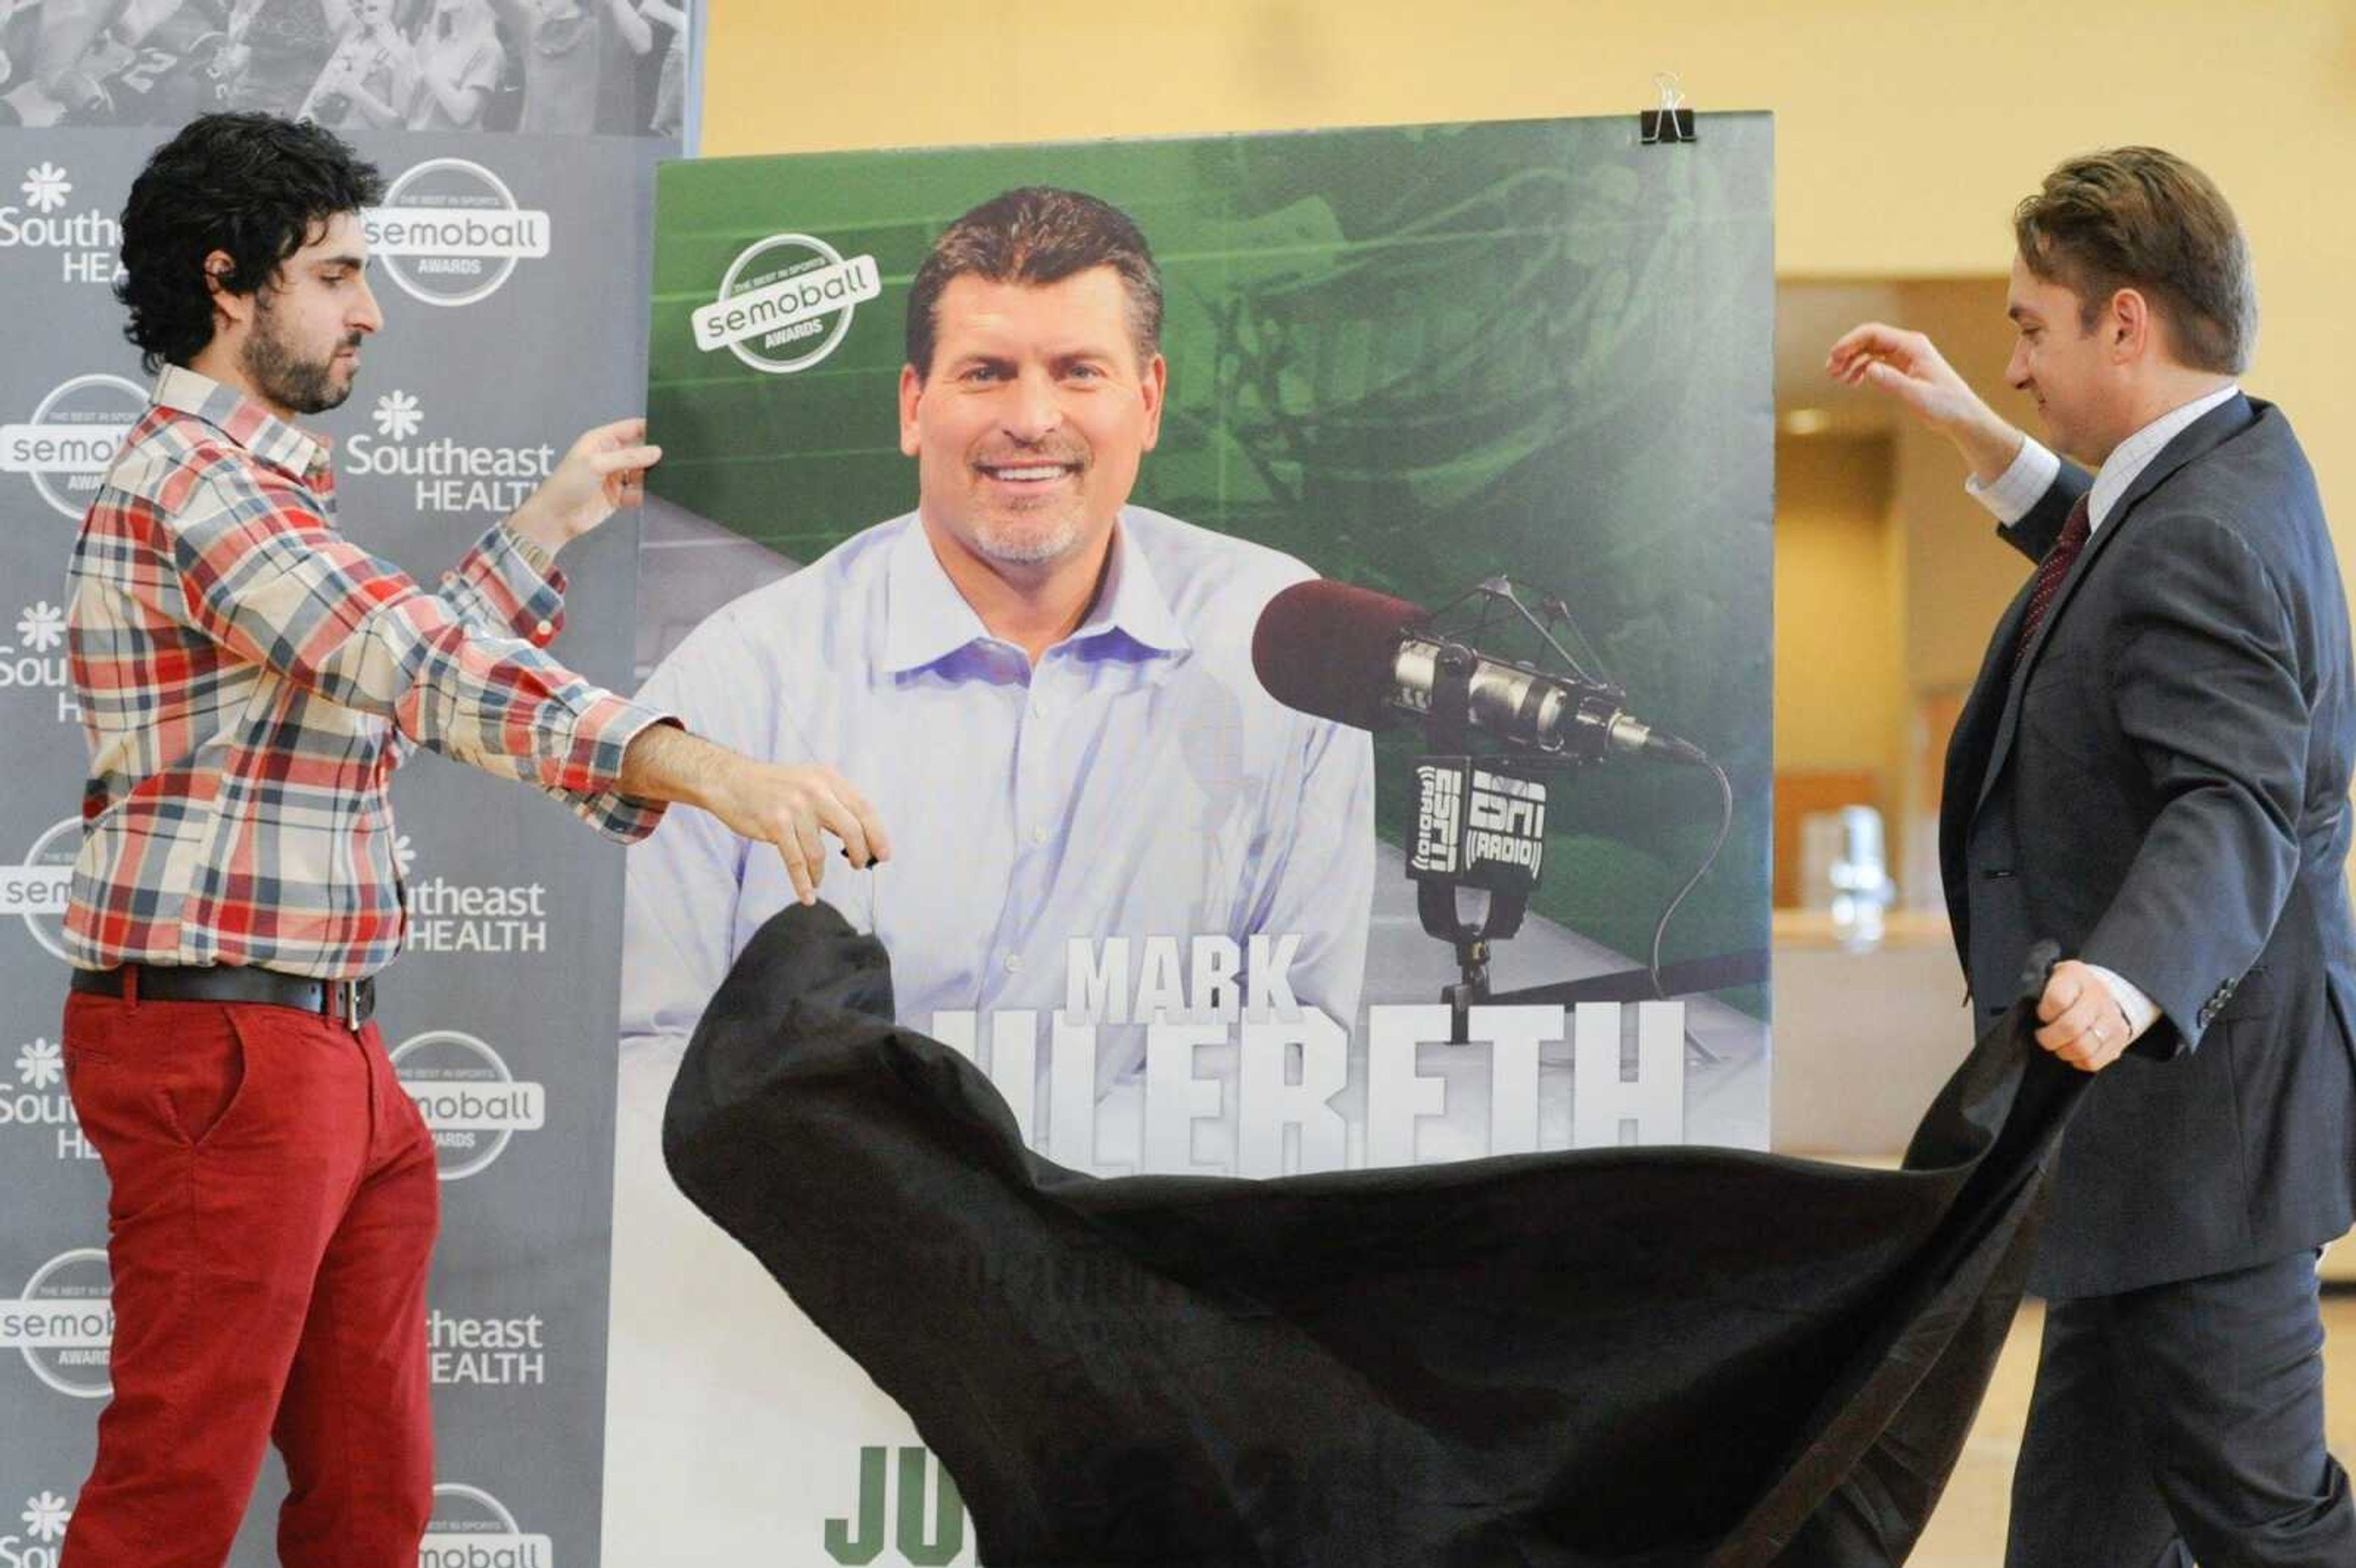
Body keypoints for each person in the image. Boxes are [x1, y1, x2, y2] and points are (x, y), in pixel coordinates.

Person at [58, 112, 886, 1568]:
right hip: (229, 1055)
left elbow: (363, 705)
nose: (371, 308)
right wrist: (699, 769)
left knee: (374, 1505)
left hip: (326, 1056)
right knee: (169, 1507)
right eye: (335, 275)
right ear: (229, 284)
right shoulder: (197, 485)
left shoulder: (255, 492)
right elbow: (407, 661)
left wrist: (540, 534)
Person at [1828, 147, 2355, 1566]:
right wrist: (1970, 439)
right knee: (2079, 1539)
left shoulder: (2208, 531)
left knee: (2268, 1529)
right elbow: (2110, 559)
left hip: (2201, 1150)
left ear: (2125, 321)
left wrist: (2129, 974)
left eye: (2026, 328)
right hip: (2148, 1154)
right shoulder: (2220, 472)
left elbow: (2235, 798)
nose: (2011, 366)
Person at [620, 186, 1375, 1107]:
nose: (1031, 417)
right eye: (985, 373)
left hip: (1150, 1231)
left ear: (1148, 400)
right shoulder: (745, 676)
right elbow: (652, 1053)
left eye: (1078, 372)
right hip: (830, 1242)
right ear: (912, 406)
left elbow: (1295, 1038)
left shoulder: (1279, 646)